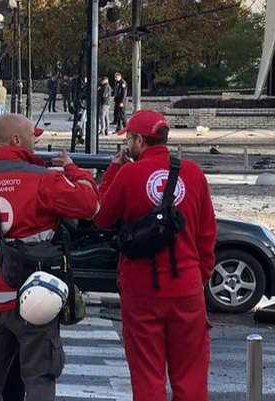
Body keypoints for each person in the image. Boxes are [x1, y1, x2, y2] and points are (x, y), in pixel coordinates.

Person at [0, 114, 99, 401]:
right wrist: (76, 171)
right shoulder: (44, 179)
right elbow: (89, 205)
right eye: (31, 136)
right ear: (16, 139)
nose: (35, 141)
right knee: (39, 380)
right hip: (38, 301)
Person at [93, 110, 216, 401]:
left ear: (139, 140)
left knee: (147, 374)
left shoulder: (129, 174)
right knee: (191, 375)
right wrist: (199, 276)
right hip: (186, 286)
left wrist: (113, 170)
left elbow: (101, 217)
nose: (127, 145)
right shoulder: (193, 173)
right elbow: (207, 233)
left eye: (129, 139)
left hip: (141, 288)